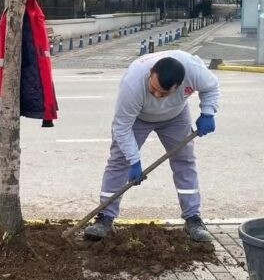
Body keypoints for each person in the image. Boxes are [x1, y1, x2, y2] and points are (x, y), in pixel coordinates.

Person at [84, 50, 219, 243]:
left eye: (163, 93)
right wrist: (134, 160)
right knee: (119, 162)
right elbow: (122, 127)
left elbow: (212, 87)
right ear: (151, 74)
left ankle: (193, 219)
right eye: (153, 88)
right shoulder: (133, 83)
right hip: (139, 118)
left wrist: (208, 112)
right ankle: (105, 218)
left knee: (184, 162)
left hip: (175, 116)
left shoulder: (194, 70)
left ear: (180, 86)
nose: (156, 95)